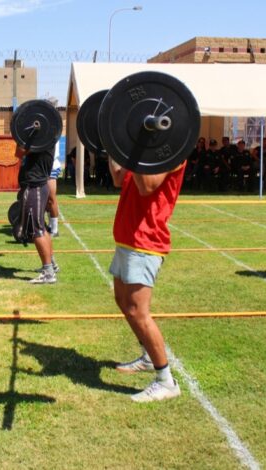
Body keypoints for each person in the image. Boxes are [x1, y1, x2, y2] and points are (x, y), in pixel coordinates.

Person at [108, 155, 185, 403]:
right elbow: (118, 178)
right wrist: (113, 146)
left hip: (146, 241)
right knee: (123, 301)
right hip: (127, 237)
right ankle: (148, 357)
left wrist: (136, 148)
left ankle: (166, 381)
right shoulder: (141, 151)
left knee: (138, 311)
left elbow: (147, 187)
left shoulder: (171, 154)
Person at [14, 143, 59, 284]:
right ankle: (51, 265)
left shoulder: (40, 140)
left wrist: (21, 138)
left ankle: (48, 273)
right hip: (39, 185)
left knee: (36, 230)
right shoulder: (45, 138)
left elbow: (18, 152)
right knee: (41, 227)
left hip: (35, 186)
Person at [46, 142, 62, 237]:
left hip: (51, 166)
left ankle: (55, 230)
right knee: (45, 199)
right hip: (41, 166)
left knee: (51, 198)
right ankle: (50, 225)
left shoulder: (53, 132)